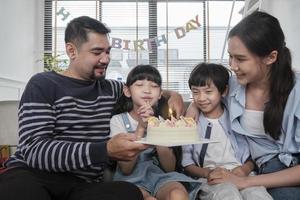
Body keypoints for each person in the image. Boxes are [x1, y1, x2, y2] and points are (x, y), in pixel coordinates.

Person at [0, 16, 185, 200]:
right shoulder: (43, 84)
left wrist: (171, 95)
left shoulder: (110, 89)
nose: (106, 59)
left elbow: (142, 89)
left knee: (128, 193)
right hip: (34, 176)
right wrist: (105, 150)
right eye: (97, 52)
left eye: (108, 51)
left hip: (83, 187)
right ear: (72, 51)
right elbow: (35, 151)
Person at [187, 11, 300, 200]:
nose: (232, 65)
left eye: (240, 59)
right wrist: (191, 106)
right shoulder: (230, 87)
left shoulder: (296, 89)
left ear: (271, 57)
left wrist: (244, 182)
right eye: (230, 57)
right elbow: (204, 94)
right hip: (269, 166)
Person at [110, 64, 202, 200]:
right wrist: (141, 127)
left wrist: (157, 130)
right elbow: (126, 169)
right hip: (131, 179)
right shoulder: (118, 120)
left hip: (160, 176)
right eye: (140, 85)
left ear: (160, 94)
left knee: (177, 194)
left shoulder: (163, 121)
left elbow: (169, 168)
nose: (147, 90)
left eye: (153, 86)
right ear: (127, 91)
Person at [182, 62, 272, 200]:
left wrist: (245, 169)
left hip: (242, 173)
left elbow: (254, 152)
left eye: (208, 91)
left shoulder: (236, 115)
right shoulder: (190, 122)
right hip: (211, 179)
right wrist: (208, 173)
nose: (201, 98)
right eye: (195, 92)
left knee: (258, 195)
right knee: (228, 194)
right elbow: (187, 164)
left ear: (223, 91)